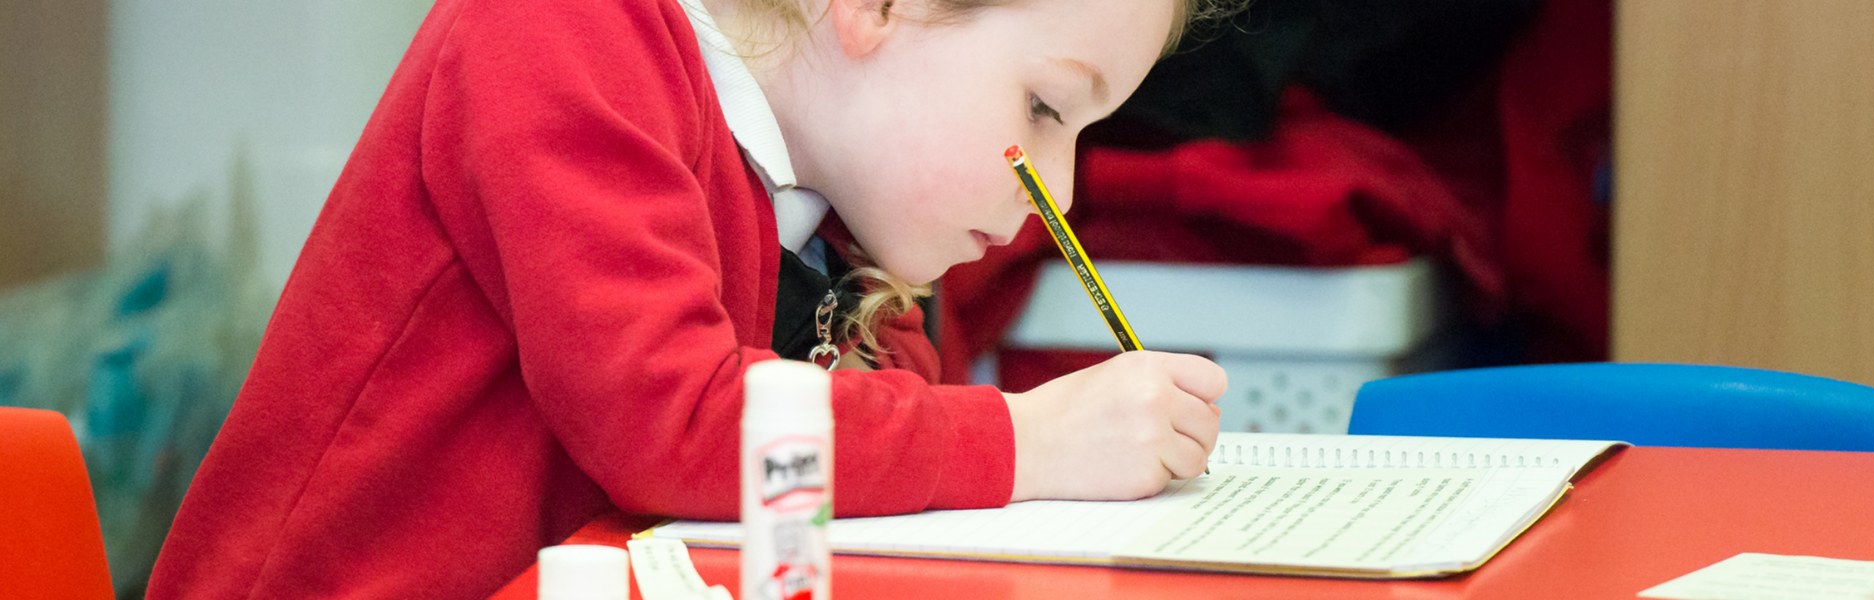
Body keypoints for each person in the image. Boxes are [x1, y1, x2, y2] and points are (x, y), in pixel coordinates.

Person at [147, 0, 1238, 597]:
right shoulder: (557, 31)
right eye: (1048, 108)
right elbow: (676, 420)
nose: (1065, 188)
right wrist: (1025, 441)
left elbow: (855, 500)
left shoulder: (841, 211)